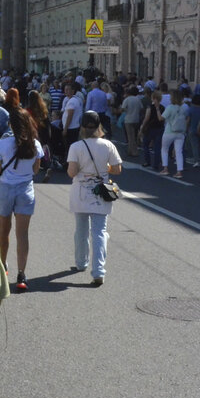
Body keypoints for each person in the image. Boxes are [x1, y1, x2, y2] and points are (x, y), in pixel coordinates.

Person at [67, 111, 123, 285]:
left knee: (81, 230)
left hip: (81, 194)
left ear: (82, 127)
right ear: (99, 126)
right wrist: (104, 167)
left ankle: (81, 263)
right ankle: (98, 271)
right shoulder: (108, 145)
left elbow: (72, 172)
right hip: (102, 194)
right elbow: (117, 169)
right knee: (99, 232)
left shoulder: (76, 147)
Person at [0, 106, 43, 292]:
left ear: (11, 125)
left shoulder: (2, 144)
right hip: (26, 189)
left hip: (6, 189)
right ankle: (22, 274)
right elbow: (36, 170)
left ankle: (2, 266)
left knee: (3, 231)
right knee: (22, 234)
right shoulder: (35, 144)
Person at [160, 95, 188, 178]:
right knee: (179, 152)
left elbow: (162, 118)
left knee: (164, 149)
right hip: (181, 132)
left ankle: (165, 168)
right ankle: (179, 171)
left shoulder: (170, 107)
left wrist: (158, 109)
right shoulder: (184, 108)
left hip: (169, 131)